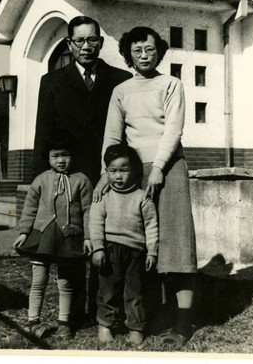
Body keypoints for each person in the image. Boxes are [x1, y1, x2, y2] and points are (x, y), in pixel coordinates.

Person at [94, 27, 197, 348]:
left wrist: (159, 169)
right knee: (138, 247)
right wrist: (103, 173)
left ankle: (182, 323)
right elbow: (113, 137)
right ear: (128, 54)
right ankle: (147, 315)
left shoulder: (171, 84)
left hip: (170, 169)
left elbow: (173, 129)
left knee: (176, 244)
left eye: (149, 50)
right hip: (134, 173)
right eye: (137, 50)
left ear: (159, 52)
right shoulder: (122, 91)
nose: (143, 55)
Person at [33, 15, 132, 322]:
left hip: (108, 174)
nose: (86, 47)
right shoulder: (52, 81)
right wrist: (41, 181)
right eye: (80, 41)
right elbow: (43, 133)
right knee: (72, 243)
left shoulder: (120, 79)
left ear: (100, 43)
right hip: (69, 178)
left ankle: (104, 309)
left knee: (107, 243)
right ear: (69, 44)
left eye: (92, 40)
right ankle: (73, 313)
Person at [14, 139, 93, 341]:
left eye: (65, 155)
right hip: (42, 236)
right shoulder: (41, 180)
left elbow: (88, 211)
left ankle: (64, 323)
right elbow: (30, 208)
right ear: (48, 157)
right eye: (55, 156)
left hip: (69, 238)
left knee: (65, 284)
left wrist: (89, 237)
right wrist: (24, 232)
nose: (60, 160)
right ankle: (33, 321)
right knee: (38, 281)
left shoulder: (81, 180)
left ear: (73, 156)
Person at [90, 144, 158, 345]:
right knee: (108, 291)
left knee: (134, 292)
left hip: (136, 252)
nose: (118, 176)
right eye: (113, 171)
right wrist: (98, 248)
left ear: (134, 170)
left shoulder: (142, 197)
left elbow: (152, 226)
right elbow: (95, 222)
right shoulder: (103, 196)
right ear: (107, 172)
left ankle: (135, 328)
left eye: (123, 170)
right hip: (109, 250)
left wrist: (152, 252)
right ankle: (105, 326)